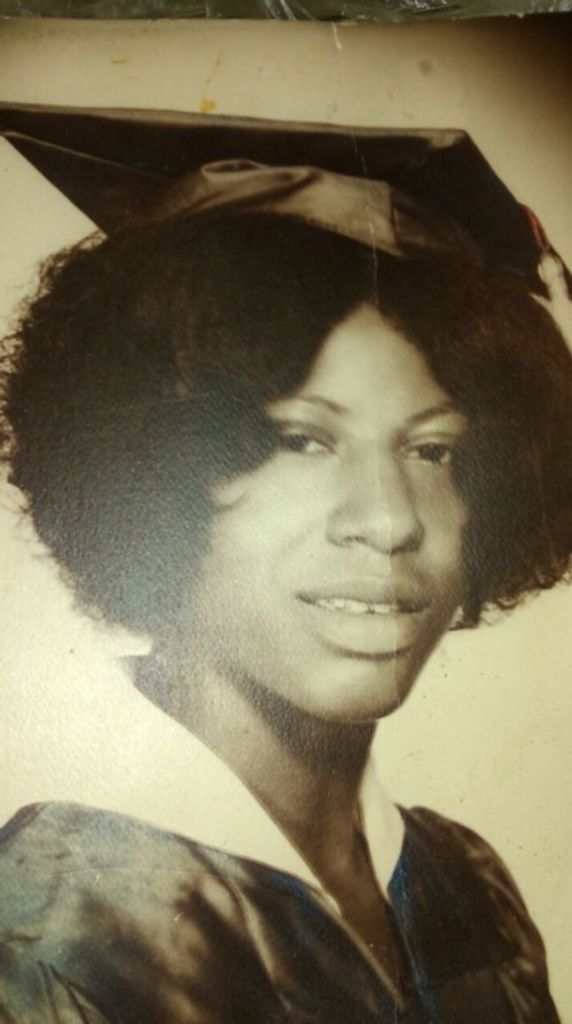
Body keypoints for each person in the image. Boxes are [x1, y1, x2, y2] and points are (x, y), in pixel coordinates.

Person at [0, 157, 570, 1023]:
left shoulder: (470, 887)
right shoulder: (51, 939)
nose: (388, 520)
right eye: (303, 440)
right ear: (149, 473)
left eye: (432, 450)